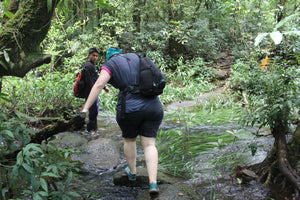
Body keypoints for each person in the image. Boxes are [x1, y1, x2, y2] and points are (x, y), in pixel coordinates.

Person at [81, 47, 164, 195]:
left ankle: (132, 173)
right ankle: (152, 183)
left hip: (130, 108)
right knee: (150, 144)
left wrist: (85, 108)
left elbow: (99, 85)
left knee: (130, 140)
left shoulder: (110, 64)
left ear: (108, 57)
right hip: (153, 105)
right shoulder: (135, 57)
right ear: (120, 53)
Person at [82, 47, 110, 132]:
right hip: (90, 92)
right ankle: (91, 131)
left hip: (92, 92)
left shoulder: (92, 66)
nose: (95, 57)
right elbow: (90, 81)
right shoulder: (88, 66)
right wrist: (95, 91)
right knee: (93, 112)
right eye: (93, 55)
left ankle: (94, 129)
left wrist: (104, 87)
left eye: (96, 56)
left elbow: (96, 78)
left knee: (94, 111)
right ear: (89, 55)